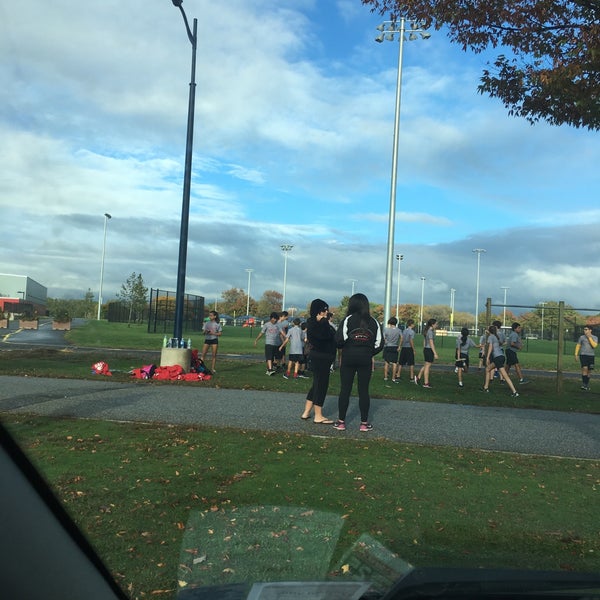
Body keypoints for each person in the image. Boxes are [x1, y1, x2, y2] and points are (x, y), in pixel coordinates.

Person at [333, 293, 384, 432]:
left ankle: (341, 422)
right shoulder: (374, 322)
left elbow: (339, 340)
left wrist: (348, 347)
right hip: (365, 359)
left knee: (345, 389)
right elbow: (380, 343)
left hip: (348, 358)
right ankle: (364, 423)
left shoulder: (347, 319)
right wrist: (368, 352)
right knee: (363, 391)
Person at [300, 299, 337, 423]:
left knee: (316, 385)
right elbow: (324, 336)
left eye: (326, 310)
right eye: (323, 310)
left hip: (322, 357)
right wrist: (324, 322)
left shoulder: (317, 323)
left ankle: (306, 412)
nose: (326, 312)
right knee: (321, 385)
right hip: (321, 357)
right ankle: (318, 415)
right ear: (317, 311)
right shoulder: (316, 324)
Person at [481, 324, 519, 396]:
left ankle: (514, 392)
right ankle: (485, 387)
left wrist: (487, 357)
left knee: (505, 375)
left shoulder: (490, 337)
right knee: (488, 369)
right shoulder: (495, 336)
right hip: (501, 356)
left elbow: (490, 347)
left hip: (497, 358)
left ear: (489, 331)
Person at [416, 318, 438, 388]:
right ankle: (426, 383)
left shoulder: (427, 331)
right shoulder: (430, 332)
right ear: (432, 324)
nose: (437, 325)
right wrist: (435, 353)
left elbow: (424, 341)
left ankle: (418, 377)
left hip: (426, 349)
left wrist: (424, 348)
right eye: (436, 324)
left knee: (426, 365)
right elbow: (431, 343)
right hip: (429, 349)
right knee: (427, 366)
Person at [575, 325, 598, 391]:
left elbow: (594, 345)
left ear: (590, 330)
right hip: (583, 355)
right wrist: (576, 354)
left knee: (589, 371)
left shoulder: (595, 337)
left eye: (586, 329)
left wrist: (589, 338)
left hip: (591, 356)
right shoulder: (581, 337)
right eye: (584, 329)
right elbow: (578, 346)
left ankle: (586, 384)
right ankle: (584, 384)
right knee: (585, 368)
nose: (584, 331)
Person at [383, 316, 401, 382]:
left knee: (386, 362)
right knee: (394, 363)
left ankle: (385, 377)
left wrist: (386, 342)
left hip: (388, 346)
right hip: (395, 346)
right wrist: (399, 346)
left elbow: (384, 338)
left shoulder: (386, 329)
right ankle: (393, 378)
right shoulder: (398, 330)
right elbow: (402, 337)